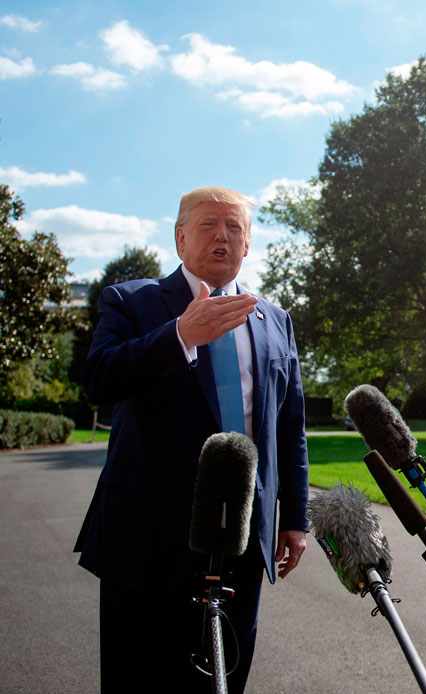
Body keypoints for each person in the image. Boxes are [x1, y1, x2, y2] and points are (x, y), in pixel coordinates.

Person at [74, 186, 309, 693]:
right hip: (148, 540)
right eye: (207, 225)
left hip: (242, 541)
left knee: (224, 680)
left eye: (234, 228)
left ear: (247, 246)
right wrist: (179, 334)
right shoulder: (131, 301)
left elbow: (289, 428)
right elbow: (98, 379)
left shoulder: (276, 321)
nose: (222, 236)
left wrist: (294, 520)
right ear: (180, 239)